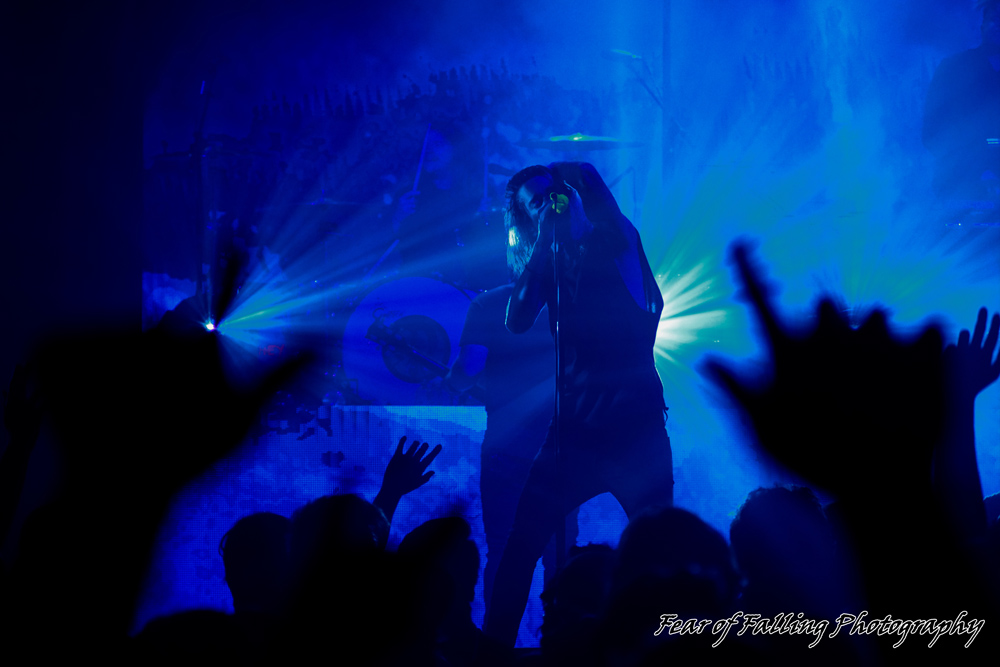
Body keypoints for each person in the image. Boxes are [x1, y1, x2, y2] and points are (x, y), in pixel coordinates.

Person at [483, 162, 673, 645]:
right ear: (527, 219)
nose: (550, 203)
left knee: (658, 553)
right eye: (536, 203)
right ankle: (492, 654)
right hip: (573, 433)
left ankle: (662, 650)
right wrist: (545, 242)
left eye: (553, 193)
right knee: (521, 548)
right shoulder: (549, 262)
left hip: (636, 431)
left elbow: (602, 201)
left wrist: (576, 180)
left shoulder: (615, 240)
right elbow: (516, 320)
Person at [446, 282, 578, 612]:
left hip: (506, 447)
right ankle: (561, 634)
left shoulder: (488, 302)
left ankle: (496, 638)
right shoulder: (576, 298)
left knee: (503, 548)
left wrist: (453, 381)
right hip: (563, 448)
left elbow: (469, 368)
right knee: (559, 551)